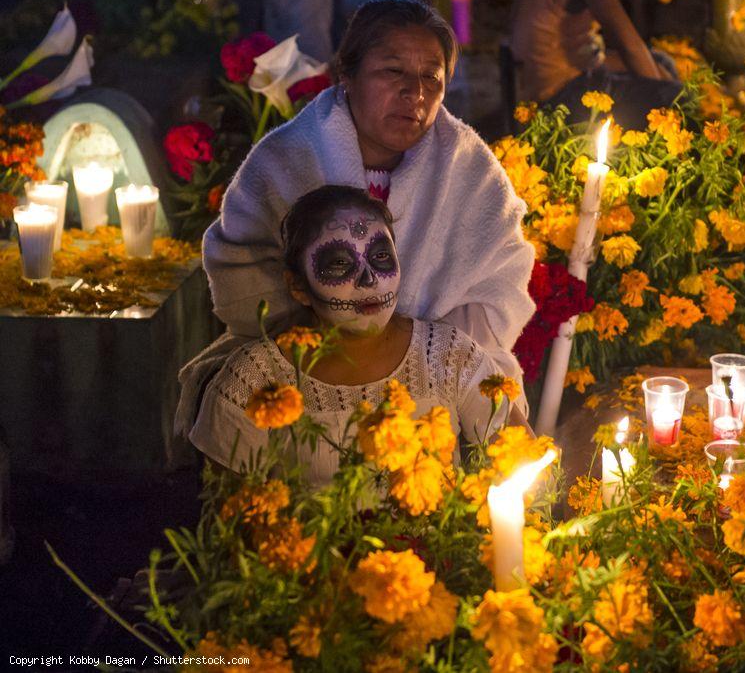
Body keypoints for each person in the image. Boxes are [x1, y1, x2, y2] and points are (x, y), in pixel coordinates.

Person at [176, 0, 535, 437]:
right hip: (306, 364)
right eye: (392, 71)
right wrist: (343, 347)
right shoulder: (286, 157)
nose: (415, 93)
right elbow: (241, 275)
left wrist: (414, 354)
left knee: (499, 430)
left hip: (437, 374)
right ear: (347, 74)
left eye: (431, 77)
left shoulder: (471, 170)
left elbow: (499, 291)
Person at [190, 186, 522, 485]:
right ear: (297, 286)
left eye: (380, 256)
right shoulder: (254, 381)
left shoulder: (449, 356)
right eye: (339, 264)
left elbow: (523, 462)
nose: (369, 281)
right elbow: (229, 526)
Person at [509, 0, 683, 129]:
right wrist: (665, 93)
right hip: (556, 100)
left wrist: (656, 73)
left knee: (662, 62)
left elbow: (573, 49)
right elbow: (629, 46)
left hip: (544, 81)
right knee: (676, 98)